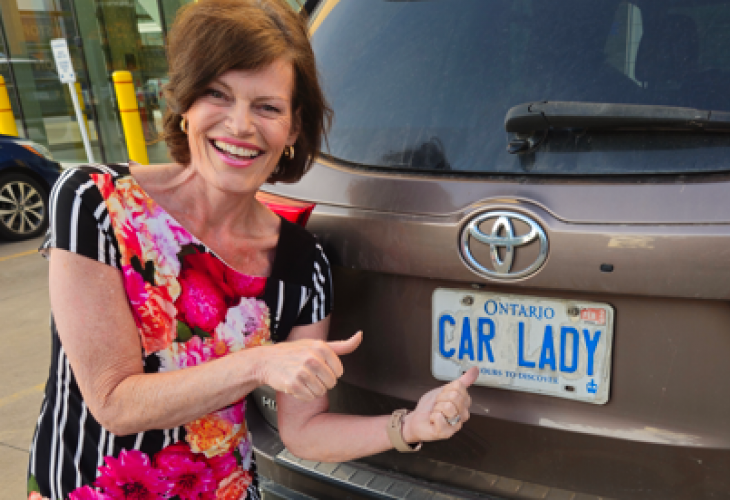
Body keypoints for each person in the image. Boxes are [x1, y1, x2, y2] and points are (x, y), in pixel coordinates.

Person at [27, 1, 478, 498]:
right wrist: (261, 362)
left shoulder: (302, 265)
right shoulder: (95, 202)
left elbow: (303, 430)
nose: (240, 126)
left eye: (267, 107)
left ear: (293, 128)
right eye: (218, 95)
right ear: (185, 106)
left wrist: (409, 426)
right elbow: (114, 402)